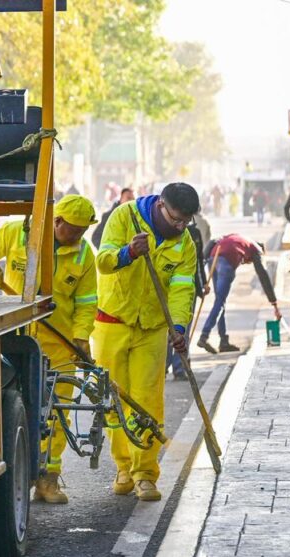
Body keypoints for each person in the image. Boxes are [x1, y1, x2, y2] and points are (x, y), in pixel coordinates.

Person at [0, 196, 99, 504]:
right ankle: (16, 477)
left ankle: (48, 478)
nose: (78, 236)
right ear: (56, 221)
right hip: (16, 336)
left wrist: (81, 337)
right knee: (16, 406)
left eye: (83, 231)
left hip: (61, 342)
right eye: (74, 230)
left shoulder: (84, 256)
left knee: (55, 411)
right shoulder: (15, 232)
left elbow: (87, 302)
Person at [93, 182, 199, 502]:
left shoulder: (185, 244)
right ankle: (123, 467)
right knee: (116, 400)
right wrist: (128, 253)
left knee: (148, 401)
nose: (181, 227)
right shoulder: (124, 217)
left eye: (186, 222)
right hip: (112, 322)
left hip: (152, 328)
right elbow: (104, 261)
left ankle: (145, 474)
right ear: (161, 206)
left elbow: (182, 289)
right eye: (177, 220)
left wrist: (178, 327)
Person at [196, 235, 282, 354]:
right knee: (220, 302)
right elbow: (263, 275)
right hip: (226, 263)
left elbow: (213, 241)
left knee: (219, 301)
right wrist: (274, 304)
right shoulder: (256, 249)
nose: (246, 263)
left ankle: (223, 341)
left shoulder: (238, 239)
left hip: (214, 258)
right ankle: (204, 336)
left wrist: (204, 266)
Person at [167, 213, 211, 379]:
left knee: (181, 332)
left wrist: (202, 286)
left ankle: (179, 368)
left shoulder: (194, 234)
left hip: (186, 291)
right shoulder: (162, 231)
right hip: (164, 292)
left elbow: (199, 262)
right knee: (164, 332)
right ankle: (163, 367)